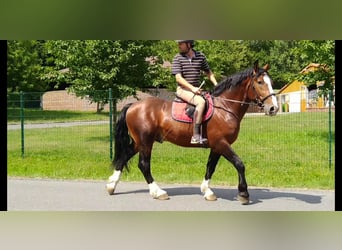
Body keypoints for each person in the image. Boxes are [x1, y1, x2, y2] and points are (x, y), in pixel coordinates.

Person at [171, 40, 218, 144]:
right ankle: (195, 136)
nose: (178, 46)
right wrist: (192, 88)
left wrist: (217, 85)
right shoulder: (177, 58)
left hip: (196, 89)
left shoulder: (200, 56)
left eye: (181, 44)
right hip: (183, 89)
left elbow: (209, 73)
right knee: (200, 102)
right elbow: (178, 78)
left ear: (189, 44)